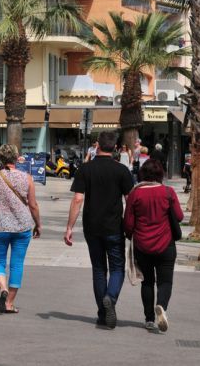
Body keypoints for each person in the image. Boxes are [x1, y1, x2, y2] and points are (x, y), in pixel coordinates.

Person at [64, 131, 134, 329]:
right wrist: (131, 226)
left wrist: (69, 227)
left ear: (97, 146)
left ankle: (102, 314)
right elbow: (130, 202)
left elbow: (78, 199)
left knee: (99, 269)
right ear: (115, 148)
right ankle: (110, 298)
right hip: (114, 227)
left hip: (91, 227)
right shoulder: (122, 171)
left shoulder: (85, 169)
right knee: (117, 267)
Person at [0, 144, 42, 314]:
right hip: (22, 227)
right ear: (16, 158)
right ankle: (9, 303)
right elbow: (33, 205)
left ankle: (3, 288)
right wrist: (38, 224)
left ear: (0, 158)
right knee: (17, 264)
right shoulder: (27, 178)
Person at [124, 159, 183, 333]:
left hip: (142, 246)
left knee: (147, 282)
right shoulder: (168, 192)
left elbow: (128, 223)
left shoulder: (135, 194)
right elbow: (178, 216)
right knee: (165, 282)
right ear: (161, 175)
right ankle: (161, 306)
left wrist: (129, 235)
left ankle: (149, 319)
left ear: (142, 174)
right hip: (166, 245)